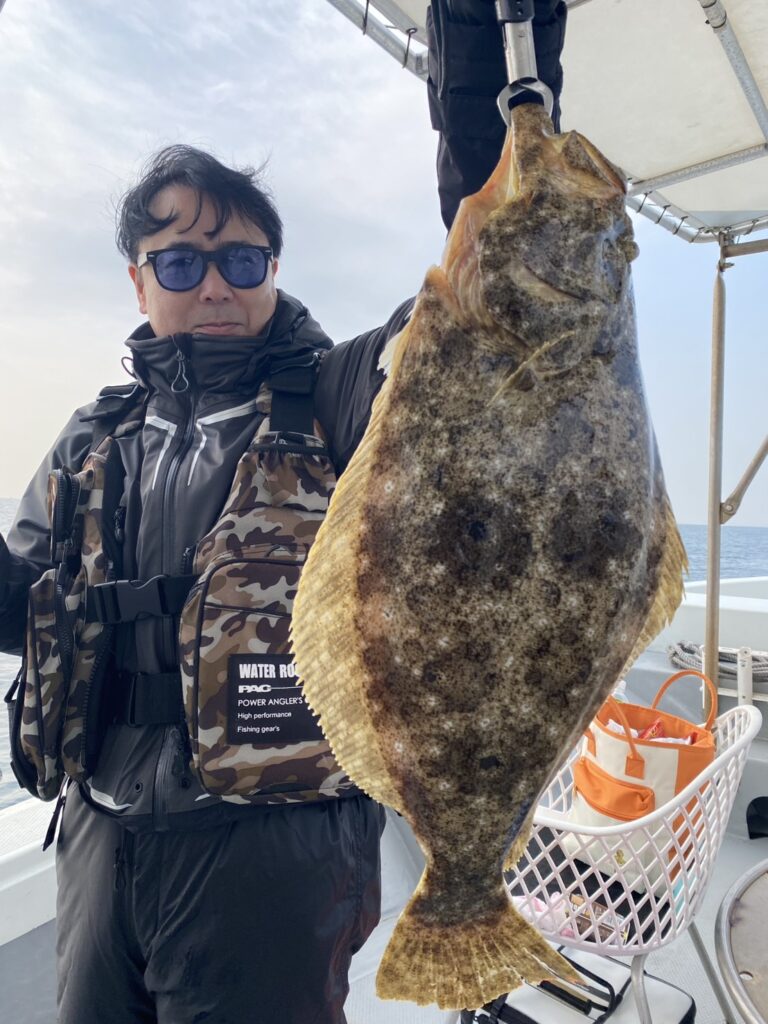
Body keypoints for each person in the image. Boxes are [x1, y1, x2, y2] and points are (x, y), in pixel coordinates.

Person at [0, 2, 566, 1021]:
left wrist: (485, 55)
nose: (214, 283)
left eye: (242, 258)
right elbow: (21, 607)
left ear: (273, 269)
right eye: (181, 261)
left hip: (276, 853)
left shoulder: (347, 394)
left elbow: (487, 300)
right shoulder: (95, 439)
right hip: (99, 839)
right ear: (139, 282)